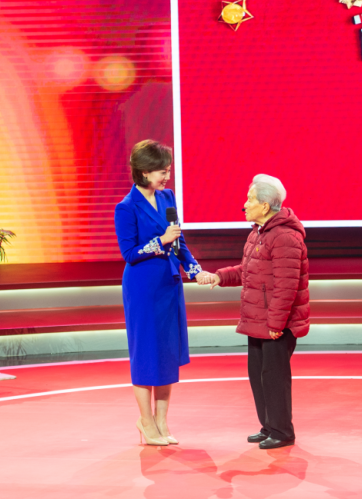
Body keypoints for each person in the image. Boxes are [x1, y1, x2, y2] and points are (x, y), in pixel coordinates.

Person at [196, 174, 309, 449]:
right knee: (259, 375)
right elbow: (248, 271)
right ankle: (269, 426)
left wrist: (275, 324)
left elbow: (286, 286)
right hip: (257, 319)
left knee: (274, 377)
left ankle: (282, 431)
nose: (244, 205)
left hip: (275, 323)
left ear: (265, 206)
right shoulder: (257, 233)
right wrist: (219, 276)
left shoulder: (285, 237)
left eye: (249, 200)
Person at [114, 139, 202, 446]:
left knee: (166, 352)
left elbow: (179, 242)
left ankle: (162, 421)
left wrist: (194, 270)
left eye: (167, 170)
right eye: (161, 171)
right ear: (143, 171)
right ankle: (146, 421)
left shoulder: (168, 197)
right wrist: (161, 241)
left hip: (169, 283)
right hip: (142, 287)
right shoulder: (126, 207)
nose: (167, 176)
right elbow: (129, 253)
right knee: (145, 353)